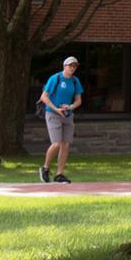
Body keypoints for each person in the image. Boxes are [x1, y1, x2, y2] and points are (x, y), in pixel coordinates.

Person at [38, 56, 84, 184]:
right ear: (64, 66)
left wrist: (70, 106)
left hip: (67, 115)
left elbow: (78, 100)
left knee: (66, 144)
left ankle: (59, 173)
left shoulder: (75, 81)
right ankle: (45, 168)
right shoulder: (56, 78)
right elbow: (44, 97)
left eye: (74, 66)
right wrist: (56, 109)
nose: (72, 68)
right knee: (56, 143)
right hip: (53, 113)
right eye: (70, 65)